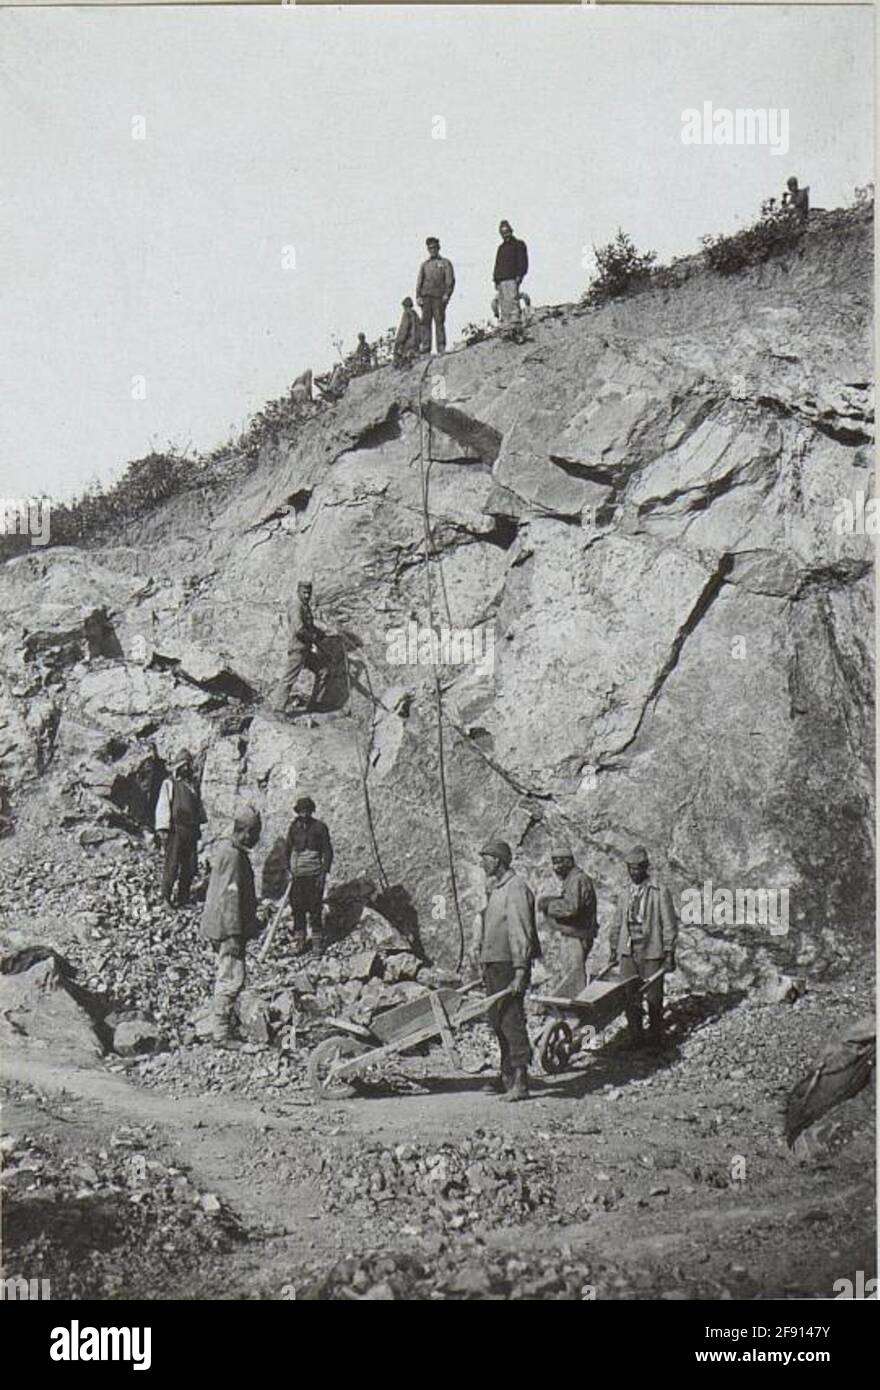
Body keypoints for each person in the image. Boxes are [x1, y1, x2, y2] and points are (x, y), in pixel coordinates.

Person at [472, 839, 540, 1101]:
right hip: (494, 965)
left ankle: (521, 1082)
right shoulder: (497, 889)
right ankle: (506, 1076)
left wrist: (521, 970)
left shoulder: (516, 889)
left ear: (497, 861)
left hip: (509, 965)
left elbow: (520, 931)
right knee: (497, 1022)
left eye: (485, 858)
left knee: (511, 1021)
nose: (481, 863)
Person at [199, 807, 263, 1046]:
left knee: (227, 975)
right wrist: (235, 933)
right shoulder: (234, 855)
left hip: (220, 925)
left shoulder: (226, 849)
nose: (256, 839)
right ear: (245, 831)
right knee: (231, 978)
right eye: (255, 833)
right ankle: (221, 1035)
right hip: (227, 928)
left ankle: (223, 1028)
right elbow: (230, 896)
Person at [608, 845, 677, 1047]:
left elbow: (669, 923)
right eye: (630, 868)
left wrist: (669, 952)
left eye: (637, 868)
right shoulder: (625, 893)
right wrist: (614, 949)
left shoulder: (659, 891)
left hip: (651, 950)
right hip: (628, 950)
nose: (633, 872)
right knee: (630, 995)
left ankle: (656, 1038)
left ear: (645, 867)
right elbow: (617, 922)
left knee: (654, 997)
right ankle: (635, 1037)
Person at [537, 844, 597, 990]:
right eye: (554, 862)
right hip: (575, 934)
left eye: (559, 862)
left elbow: (571, 908)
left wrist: (549, 905)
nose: (556, 867)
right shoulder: (573, 879)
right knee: (571, 974)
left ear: (569, 862)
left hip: (576, 935)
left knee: (573, 976)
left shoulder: (577, 879)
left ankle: (574, 1009)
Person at [154, 750, 206, 907]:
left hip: (190, 830)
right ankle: (165, 898)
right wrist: (163, 827)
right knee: (172, 864)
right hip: (175, 830)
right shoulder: (170, 784)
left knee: (190, 866)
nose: (187, 768)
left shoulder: (192, 787)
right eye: (184, 765)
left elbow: (198, 808)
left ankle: (183, 897)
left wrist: (199, 825)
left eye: (188, 765)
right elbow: (163, 805)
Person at [285, 795, 333, 955]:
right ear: (297, 812)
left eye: (307, 811)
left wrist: (323, 873)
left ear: (311, 811)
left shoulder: (320, 827)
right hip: (298, 876)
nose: (304, 815)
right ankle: (300, 942)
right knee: (297, 909)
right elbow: (287, 850)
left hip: (314, 875)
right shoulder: (293, 828)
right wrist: (288, 870)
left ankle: (317, 943)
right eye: (301, 812)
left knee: (314, 908)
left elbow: (327, 851)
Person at [274, 579, 330, 715]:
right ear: (298, 591)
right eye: (304, 592)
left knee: (323, 671)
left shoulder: (305, 606)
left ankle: (314, 704)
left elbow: (308, 626)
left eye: (308, 593)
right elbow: (299, 629)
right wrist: (314, 637)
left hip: (306, 649)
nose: (306, 596)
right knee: (289, 679)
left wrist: (320, 633)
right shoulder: (296, 606)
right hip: (298, 649)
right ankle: (278, 709)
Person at [416, 237, 455, 354]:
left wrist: (447, 294)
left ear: (438, 248)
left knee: (439, 321)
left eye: (434, 247)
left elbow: (450, 280)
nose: (432, 250)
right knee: (425, 322)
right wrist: (418, 296)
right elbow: (419, 281)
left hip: (438, 297)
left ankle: (441, 347)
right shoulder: (425, 265)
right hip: (426, 296)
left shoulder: (445, 263)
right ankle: (426, 347)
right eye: (430, 248)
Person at [493, 220, 529, 343]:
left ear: (511, 231)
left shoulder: (518, 244)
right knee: (504, 306)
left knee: (513, 303)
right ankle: (507, 331)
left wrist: (520, 275)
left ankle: (518, 331)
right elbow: (497, 265)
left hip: (512, 278)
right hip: (501, 280)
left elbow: (523, 261)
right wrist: (496, 280)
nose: (505, 234)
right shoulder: (501, 248)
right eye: (503, 232)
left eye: (507, 231)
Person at [393, 297, 421, 367]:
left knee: (398, 354)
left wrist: (398, 343)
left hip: (408, 344)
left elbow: (403, 330)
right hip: (416, 344)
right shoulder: (416, 315)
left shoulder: (406, 314)